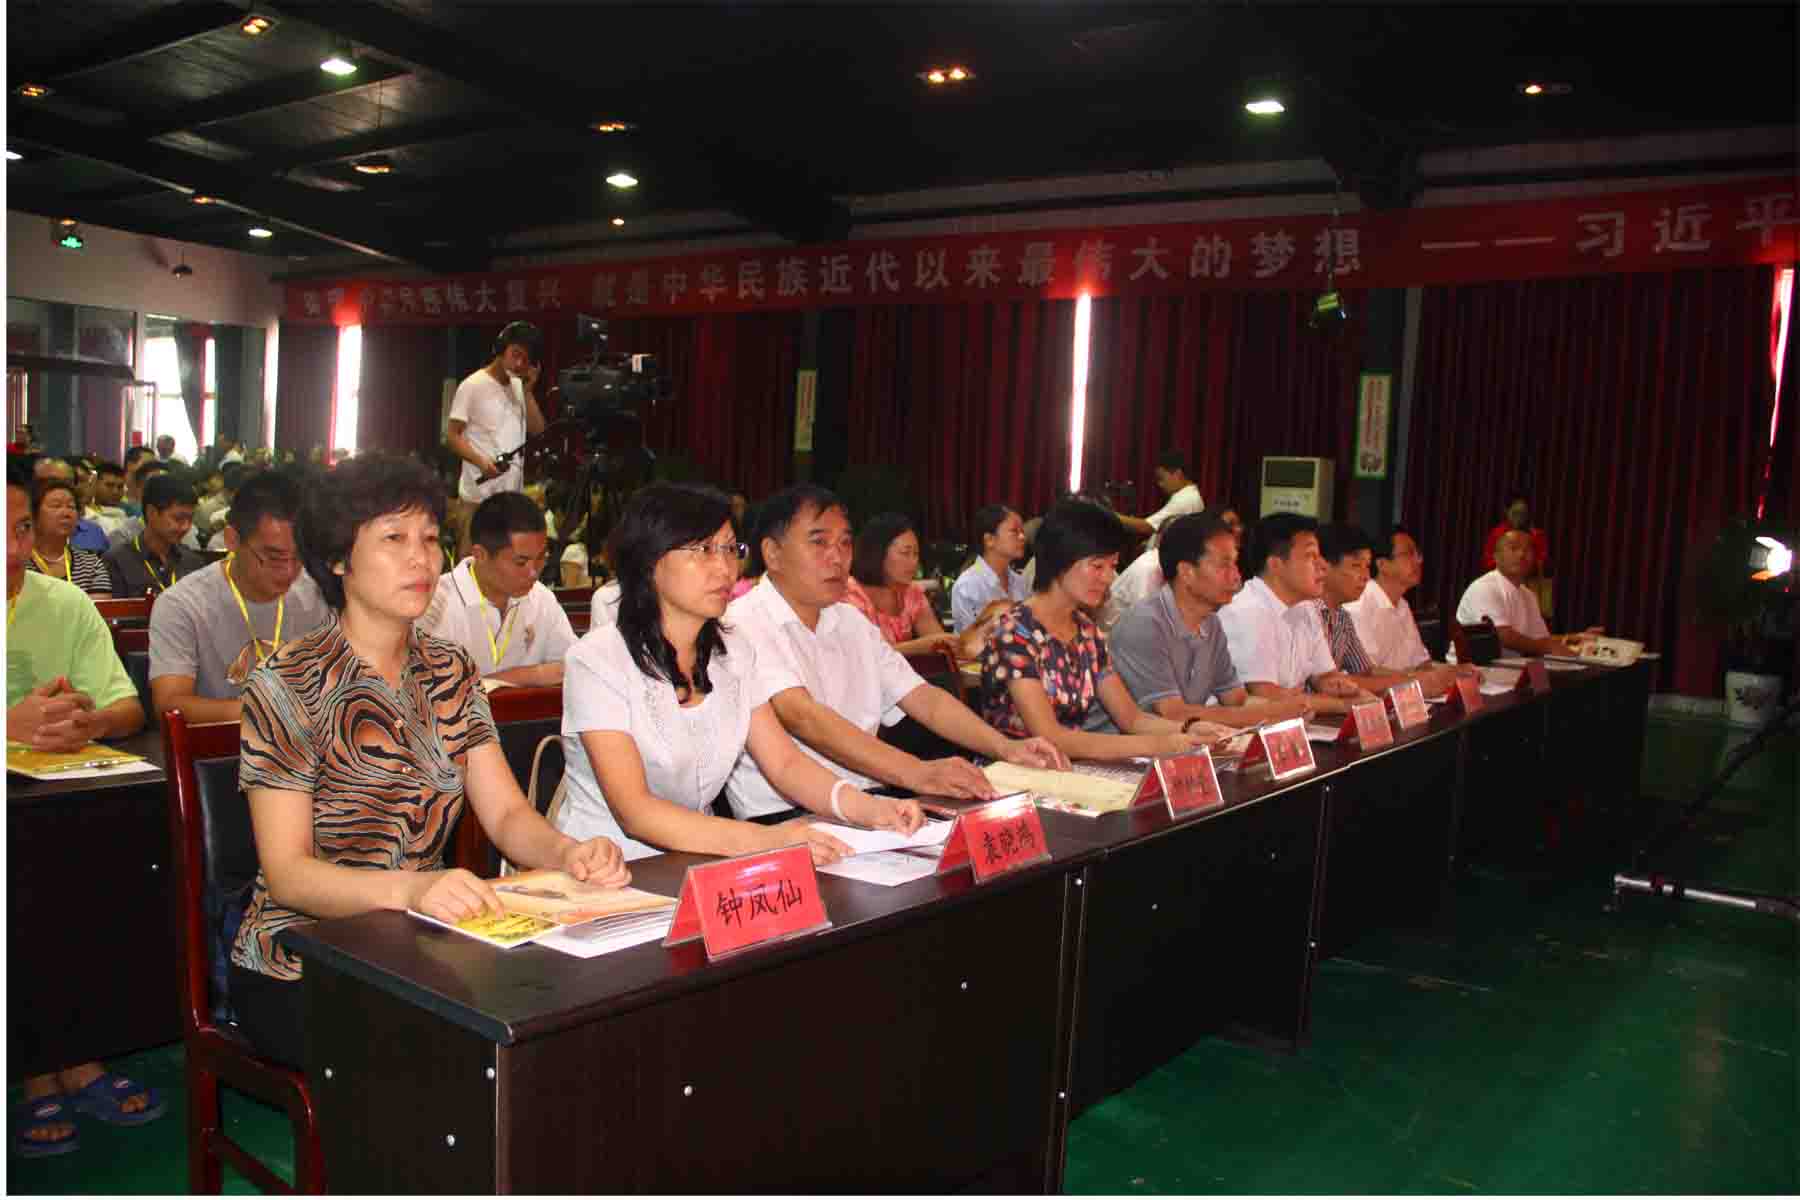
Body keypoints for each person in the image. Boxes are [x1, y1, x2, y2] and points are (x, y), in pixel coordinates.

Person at [229, 455, 630, 1071]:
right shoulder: (286, 682)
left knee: (569, 1016)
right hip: (302, 958)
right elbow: (289, 875)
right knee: (456, 1061)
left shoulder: (451, 670)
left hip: (422, 946)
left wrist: (567, 852)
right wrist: (413, 890)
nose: (421, 559)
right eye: (394, 539)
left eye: (429, 539)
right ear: (337, 559)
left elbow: (506, 814)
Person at [557, 483, 929, 863]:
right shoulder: (597, 660)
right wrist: (769, 840)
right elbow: (636, 812)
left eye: (730, 549)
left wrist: (869, 809)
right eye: (704, 550)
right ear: (650, 560)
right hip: (603, 868)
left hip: (697, 859)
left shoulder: (733, 651)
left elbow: (784, 763)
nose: (725, 569)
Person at [724, 485, 1066, 822]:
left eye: (845, 543)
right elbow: (803, 716)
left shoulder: (850, 620)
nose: (837, 558)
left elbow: (924, 699)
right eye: (819, 542)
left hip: (871, 798)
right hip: (786, 815)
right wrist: (919, 773)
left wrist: (1005, 747)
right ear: (772, 553)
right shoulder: (743, 621)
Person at [7, 462, 161, 1157]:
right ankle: (37, 1068)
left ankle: (77, 1053)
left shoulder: (65, 602)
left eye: (20, 529)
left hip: (56, 802)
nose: (13, 551)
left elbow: (128, 706)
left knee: (105, 851)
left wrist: (87, 722)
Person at [980, 498, 1227, 761]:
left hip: (1068, 770)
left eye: (1112, 566)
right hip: (1015, 773)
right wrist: (1163, 744)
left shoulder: (1087, 632)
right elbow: (1052, 736)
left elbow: (1131, 719)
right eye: (1098, 566)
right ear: (1060, 560)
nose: (1109, 577)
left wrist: (1188, 729)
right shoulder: (1015, 632)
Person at [148, 470, 331, 723]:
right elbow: (170, 704)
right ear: (232, 540)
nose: (289, 571)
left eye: (299, 557)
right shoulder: (182, 605)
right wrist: (275, 715)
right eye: (274, 558)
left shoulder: (318, 594)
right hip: (223, 745)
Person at [1109, 511, 1312, 730]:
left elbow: (1237, 699)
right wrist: (1269, 714)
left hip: (1185, 742)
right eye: (1224, 565)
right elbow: (1174, 714)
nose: (1236, 576)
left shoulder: (1210, 623)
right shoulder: (1144, 624)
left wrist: (1287, 708)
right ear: (1186, 572)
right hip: (1124, 746)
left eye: (1235, 564)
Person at [1217, 513, 1372, 716]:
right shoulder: (1248, 610)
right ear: (1276, 565)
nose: (1322, 566)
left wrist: (1342, 687)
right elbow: (1266, 695)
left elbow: (1324, 676)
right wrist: (1342, 705)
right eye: (1310, 556)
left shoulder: (1306, 607)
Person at [417, 491, 575, 686]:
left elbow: (573, 666)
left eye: (542, 557)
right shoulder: (434, 603)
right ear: (480, 555)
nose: (534, 572)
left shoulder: (542, 599)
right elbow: (428, 692)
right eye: (521, 562)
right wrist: (528, 676)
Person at [1316, 523, 1456, 697]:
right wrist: (1412, 682)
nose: (1366, 576)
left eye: (1367, 566)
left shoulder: (1341, 616)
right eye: (1356, 566)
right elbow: (1331, 683)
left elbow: (1365, 670)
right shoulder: (1314, 613)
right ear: (1325, 567)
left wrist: (1424, 678)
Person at [445, 321, 547, 503]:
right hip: (478, 497)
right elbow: (452, 436)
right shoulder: (472, 385)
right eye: (515, 354)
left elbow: (539, 431)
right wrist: (481, 463)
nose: (519, 364)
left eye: (525, 360)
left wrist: (528, 392)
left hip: (512, 497)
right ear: (501, 349)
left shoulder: (519, 386)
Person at [1456, 530, 1600, 657]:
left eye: (1528, 550)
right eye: (1513, 548)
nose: (1521, 554)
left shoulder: (1528, 595)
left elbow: (1540, 639)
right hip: (1475, 670)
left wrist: (1577, 638)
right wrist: (1547, 648)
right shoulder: (1485, 587)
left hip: (1509, 667)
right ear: (1496, 557)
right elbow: (1502, 636)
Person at [843, 512, 959, 658]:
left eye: (916, 554)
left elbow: (940, 642)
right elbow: (864, 656)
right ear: (878, 553)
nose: (914, 562)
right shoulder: (849, 595)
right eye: (905, 553)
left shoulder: (911, 592)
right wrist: (919, 646)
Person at [102, 473, 205, 599]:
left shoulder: (193, 562)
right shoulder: (117, 561)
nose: (186, 527)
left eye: (190, 519)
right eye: (178, 518)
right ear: (151, 513)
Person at [26, 477, 111, 597]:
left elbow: (99, 607)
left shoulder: (91, 565)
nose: (66, 513)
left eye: (71, 506)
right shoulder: (17, 563)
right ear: (33, 514)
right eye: (56, 506)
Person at [949, 503, 1029, 631]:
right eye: (1014, 531)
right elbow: (968, 639)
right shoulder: (967, 585)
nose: (1022, 537)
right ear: (989, 540)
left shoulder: (1020, 582)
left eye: (1022, 531)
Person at [1114, 449, 1205, 544]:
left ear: (1177, 474)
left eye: (1161, 478)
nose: (1160, 484)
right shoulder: (1189, 495)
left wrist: (1111, 515)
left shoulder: (1184, 499)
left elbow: (1147, 527)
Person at [31, 456, 108, 552]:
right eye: (52, 482)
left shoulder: (94, 533)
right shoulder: (21, 533)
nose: (60, 488)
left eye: (66, 482)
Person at [1481, 491, 1550, 574]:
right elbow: (1488, 562)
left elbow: (1541, 564)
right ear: (1506, 511)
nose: (1519, 518)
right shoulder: (1497, 534)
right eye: (1515, 513)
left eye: (1523, 514)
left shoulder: (1537, 535)